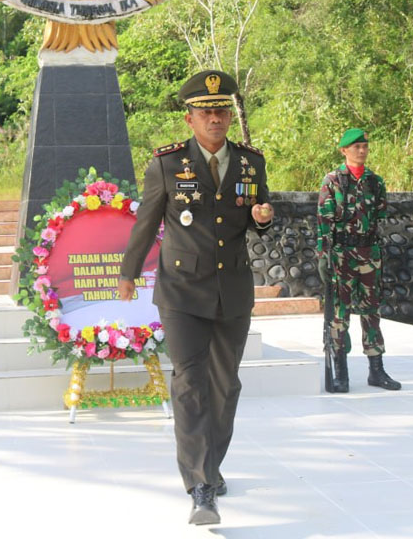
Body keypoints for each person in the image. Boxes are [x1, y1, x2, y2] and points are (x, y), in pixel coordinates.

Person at [118, 69, 274, 526]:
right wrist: (129, 272)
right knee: (189, 383)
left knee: (226, 385)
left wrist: (263, 217)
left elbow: (257, 215)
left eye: (222, 111)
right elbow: (146, 222)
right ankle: (200, 485)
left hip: (233, 290)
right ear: (189, 118)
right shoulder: (167, 164)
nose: (215, 119)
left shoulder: (250, 162)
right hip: (182, 291)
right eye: (206, 112)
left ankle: (212, 465)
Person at [316, 128, 401, 393]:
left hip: (369, 253)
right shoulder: (333, 182)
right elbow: (323, 223)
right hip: (341, 255)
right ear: (344, 151)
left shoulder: (375, 182)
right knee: (339, 314)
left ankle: (377, 371)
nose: (361, 151)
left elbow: (379, 216)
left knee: (371, 312)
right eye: (356, 147)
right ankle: (340, 371)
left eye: (364, 146)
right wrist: (323, 257)